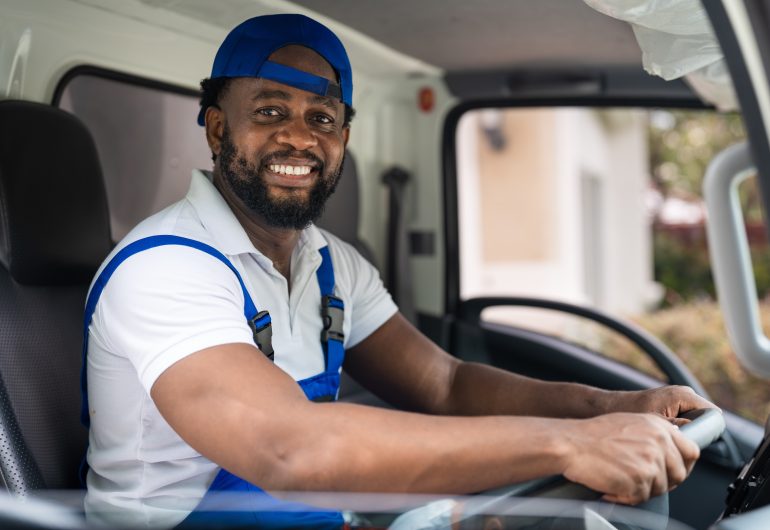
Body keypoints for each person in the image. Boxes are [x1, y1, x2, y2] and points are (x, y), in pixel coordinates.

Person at [82, 13, 714, 529]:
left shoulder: (333, 265)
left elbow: (445, 386)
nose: (300, 138)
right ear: (218, 126)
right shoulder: (165, 267)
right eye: (271, 111)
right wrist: (571, 445)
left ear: (343, 140)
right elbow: (288, 448)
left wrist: (616, 408)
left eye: (322, 118)